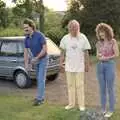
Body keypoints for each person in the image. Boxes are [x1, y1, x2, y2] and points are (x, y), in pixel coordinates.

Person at [59, 20, 91, 111]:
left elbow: (86, 52)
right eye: (72, 28)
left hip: (80, 66)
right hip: (69, 67)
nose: (75, 30)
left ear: (78, 28)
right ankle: (71, 104)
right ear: (69, 28)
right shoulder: (65, 38)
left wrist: (87, 64)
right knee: (70, 86)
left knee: (80, 86)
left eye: (76, 28)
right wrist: (61, 63)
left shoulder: (83, 37)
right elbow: (62, 52)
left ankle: (81, 105)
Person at [95, 23, 119, 117]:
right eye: (100, 32)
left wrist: (107, 57)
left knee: (110, 88)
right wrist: (99, 57)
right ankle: (103, 109)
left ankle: (111, 110)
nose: (101, 34)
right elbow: (97, 55)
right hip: (100, 66)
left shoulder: (112, 41)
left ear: (107, 31)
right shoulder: (98, 43)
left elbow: (116, 54)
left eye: (103, 32)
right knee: (102, 89)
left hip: (109, 65)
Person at [23, 18, 47, 106]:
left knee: (41, 78)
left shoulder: (40, 35)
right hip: (35, 59)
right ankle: (40, 96)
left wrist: (36, 58)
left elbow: (44, 50)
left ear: (32, 27)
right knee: (39, 79)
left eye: (26, 27)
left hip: (43, 58)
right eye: (24, 28)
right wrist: (26, 64)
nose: (25, 29)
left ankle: (39, 99)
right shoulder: (26, 39)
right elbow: (25, 52)